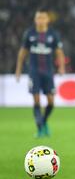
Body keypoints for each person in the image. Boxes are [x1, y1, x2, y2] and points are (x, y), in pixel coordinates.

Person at [15, 9, 66, 138]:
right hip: (34, 72)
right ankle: (39, 128)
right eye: (38, 18)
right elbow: (22, 53)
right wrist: (18, 70)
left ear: (47, 20)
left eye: (43, 18)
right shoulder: (30, 34)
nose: (40, 20)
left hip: (48, 72)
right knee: (36, 100)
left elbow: (59, 52)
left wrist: (61, 67)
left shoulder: (53, 34)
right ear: (35, 19)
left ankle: (43, 122)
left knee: (51, 102)